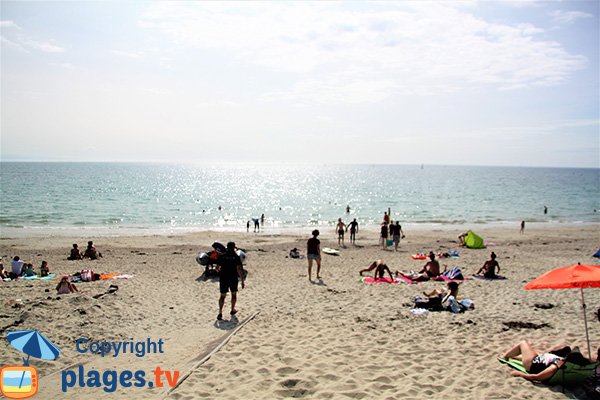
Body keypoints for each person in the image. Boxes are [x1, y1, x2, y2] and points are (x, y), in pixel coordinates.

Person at [500, 341, 573, 382]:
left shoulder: (556, 365)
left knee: (523, 343)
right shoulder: (563, 360)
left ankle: (504, 357)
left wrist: (520, 374)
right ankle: (517, 357)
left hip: (532, 363)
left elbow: (538, 377)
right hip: (540, 359)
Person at [215, 241, 245, 320]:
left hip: (224, 277)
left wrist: (220, 272)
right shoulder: (236, 256)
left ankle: (220, 312)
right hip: (233, 277)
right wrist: (242, 281)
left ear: (227, 247)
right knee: (233, 294)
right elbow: (239, 269)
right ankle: (232, 309)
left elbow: (217, 268)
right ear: (234, 247)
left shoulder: (222, 256)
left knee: (222, 296)